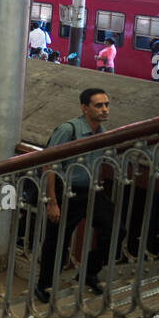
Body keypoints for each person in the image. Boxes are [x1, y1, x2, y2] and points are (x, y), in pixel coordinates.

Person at [35, 88, 113, 304]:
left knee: (115, 230)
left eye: (106, 104)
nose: (105, 109)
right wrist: (52, 202)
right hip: (66, 192)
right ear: (84, 108)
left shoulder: (102, 133)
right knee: (57, 241)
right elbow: (48, 164)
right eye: (99, 105)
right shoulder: (68, 130)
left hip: (92, 191)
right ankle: (44, 285)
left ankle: (88, 271)